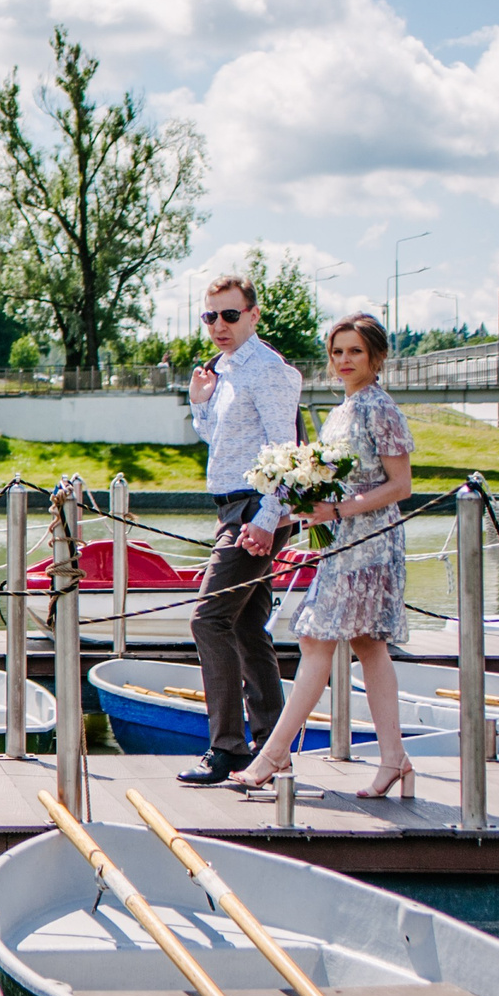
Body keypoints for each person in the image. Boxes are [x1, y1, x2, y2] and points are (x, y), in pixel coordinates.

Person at [227, 313, 417, 800]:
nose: (344, 361)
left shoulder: (379, 407)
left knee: (315, 641)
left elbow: (401, 485)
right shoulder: (340, 411)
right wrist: (278, 523)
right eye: (337, 352)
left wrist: (341, 508)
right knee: (367, 646)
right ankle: (394, 759)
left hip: (370, 543)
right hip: (342, 538)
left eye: (354, 351)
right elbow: (328, 490)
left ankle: (272, 755)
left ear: (376, 356)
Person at [176, 273, 304, 786]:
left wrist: (267, 520)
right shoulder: (223, 369)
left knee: (208, 620)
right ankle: (273, 748)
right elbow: (219, 440)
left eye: (230, 315)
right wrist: (200, 402)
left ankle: (227, 748)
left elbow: (287, 451)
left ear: (253, 315)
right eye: (210, 316)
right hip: (232, 508)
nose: (219, 326)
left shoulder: (269, 371)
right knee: (248, 628)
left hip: (254, 509)